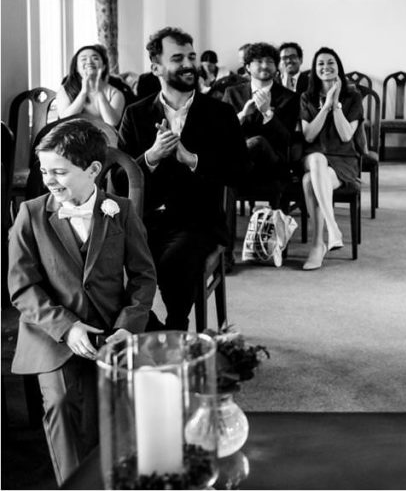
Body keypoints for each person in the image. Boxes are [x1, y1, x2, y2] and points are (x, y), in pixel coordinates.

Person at [7, 119, 156, 485]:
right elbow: (22, 286)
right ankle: (74, 484)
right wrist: (66, 327)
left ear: (92, 170)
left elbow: (143, 277)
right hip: (51, 333)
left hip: (111, 331)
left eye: (59, 172)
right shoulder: (31, 214)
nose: (49, 180)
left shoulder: (120, 210)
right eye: (44, 171)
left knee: (131, 402)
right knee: (61, 404)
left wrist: (125, 328)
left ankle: (122, 476)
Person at [118, 27, 246, 330]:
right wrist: (151, 156)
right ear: (157, 67)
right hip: (143, 219)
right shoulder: (136, 115)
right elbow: (118, 180)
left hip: (197, 221)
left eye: (191, 56)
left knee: (172, 263)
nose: (189, 64)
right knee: (104, 267)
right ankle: (156, 332)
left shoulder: (220, 113)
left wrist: (193, 160)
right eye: (178, 58)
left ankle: (177, 328)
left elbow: (241, 169)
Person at [298, 46, 362, 270]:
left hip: (342, 160)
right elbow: (308, 135)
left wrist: (335, 106)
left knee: (309, 182)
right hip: (313, 155)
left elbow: (346, 135)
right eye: (320, 64)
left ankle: (318, 245)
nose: (326, 67)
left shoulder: (353, 96)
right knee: (316, 158)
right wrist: (324, 107)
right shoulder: (307, 97)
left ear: (338, 66)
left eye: (330, 62)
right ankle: (333, 228)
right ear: (315, 70)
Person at [222, 42, 298, 208]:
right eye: (259, 61)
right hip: (240, 167)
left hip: (272, 165)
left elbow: (287, 138)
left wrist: (267, 113)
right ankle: (225, 233)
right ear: (248, 67)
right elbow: (223, 133)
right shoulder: (232, 93)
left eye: (270, 62)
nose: (265, 66)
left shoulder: (290, 98)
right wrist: (242, 115)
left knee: (258, 142)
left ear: (276, 67)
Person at [54, 44, 126, 129]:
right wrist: (83, 93)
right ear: (76, 68)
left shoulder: (115, 93)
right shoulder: (65, 89)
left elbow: (112, 123)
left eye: (95, 58)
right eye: (84, 59)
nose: (89, 62)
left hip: (104, 138)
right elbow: (64, 120)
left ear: (103, 67)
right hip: (72, 137)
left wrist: (99, 92)